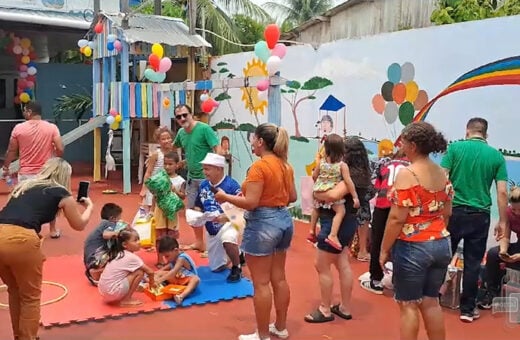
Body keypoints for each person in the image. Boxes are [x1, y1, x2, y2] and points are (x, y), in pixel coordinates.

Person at [214, 123, 296, 340]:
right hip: (284, 221)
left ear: (260, 141)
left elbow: (250, 202)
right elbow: (293, 197)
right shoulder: (286, 166)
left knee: (260, 283)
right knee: (279, 278)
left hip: (263, 224)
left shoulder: (259, 167)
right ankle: (280, 326)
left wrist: (225, 197)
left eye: (253, 139)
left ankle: (262, 335)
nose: (251, 143)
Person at [0, 157, 93, 340]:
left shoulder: (23, 186)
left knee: (15, 290)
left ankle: (19, 335)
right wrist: (89, 206)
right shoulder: (61, 193)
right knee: (30, 297)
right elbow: (79, 224)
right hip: (22, 239)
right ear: (65, 175)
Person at [380, 122, 453, 340]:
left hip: (413, 247)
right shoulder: (442, 172)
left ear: (412, 145)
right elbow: (447, 211)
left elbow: (396, 219)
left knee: (408, 304)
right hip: (441, 242)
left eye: (403, 141)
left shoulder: (407, 174)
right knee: (431, 302)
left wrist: (384, 250)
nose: (400, 145)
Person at [441, 117, 508, 322]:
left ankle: (432, 298)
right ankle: (468, 309)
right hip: (480, 215)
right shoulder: (497, 156)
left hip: (454, 212)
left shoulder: (454, 149)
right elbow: (503, 192)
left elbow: (443, 180)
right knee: (472, 262)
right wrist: (503, 221)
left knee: (443, 257)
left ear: (467, 131)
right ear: (486, 134)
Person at [303, 137, 364, 324]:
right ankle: (344, 307)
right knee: (342, 262)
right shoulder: (359, 175)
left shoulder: (345, 173)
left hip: (335, 223)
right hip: (348, 223)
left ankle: (325, 309)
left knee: (322, 265)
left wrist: (316, 193)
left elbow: (330, 196)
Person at [2, 101, 64, 239]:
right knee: (51, 201)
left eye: (25, 111)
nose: (23, 113)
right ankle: (53, 230)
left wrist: (6, 167)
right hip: (46, 172)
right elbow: (60, 148)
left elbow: (11, 150)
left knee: (25, 202)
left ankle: (29, 230)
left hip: (26, 174)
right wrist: (56, 161)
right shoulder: (52, 127)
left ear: (30, 112)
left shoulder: (18, 128)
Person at [173, 104, 221, 254]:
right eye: (179, 116)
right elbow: (174, 148)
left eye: (184, 115)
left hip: (206, 179)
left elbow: (217, 148)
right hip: (191, 178)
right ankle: (200, 243)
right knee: (193, 213)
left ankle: (214, 246)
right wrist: (179, 161)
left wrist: (216, 172)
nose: (182, 118)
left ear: (191, 114)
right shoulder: (181, 133)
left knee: (211, 212)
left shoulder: (204, 129)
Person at [361, 149, 409, 294]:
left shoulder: (385, 165)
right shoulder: (411, 167)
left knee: (377, 241)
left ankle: (375, 280)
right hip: (401, 206)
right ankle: (399, 282)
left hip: (382, 205)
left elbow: (376, 187)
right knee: (401, 243)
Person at [195, 153, 244, 282]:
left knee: (227, 238)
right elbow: (198, 205)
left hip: (230, 223)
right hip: (211, 228)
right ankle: (239, 254)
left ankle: (236, 267)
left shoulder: (232, 186)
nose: (204, 172)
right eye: (204, 168)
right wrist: (196, 215)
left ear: (219, 169)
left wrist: (225, 217)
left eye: (207, 169)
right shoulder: (203, 185)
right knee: (217, 268)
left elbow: (241, 211)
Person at [308, 134, 359, 250]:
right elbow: (348, 181)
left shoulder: (321, 163)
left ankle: (311, 230)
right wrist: (355, 196)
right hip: (331, 191)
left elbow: (314, 176)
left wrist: (319, 183)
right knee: (340, 211)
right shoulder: (342, 165)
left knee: (316, 208)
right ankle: (333, 234)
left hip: (319, 190)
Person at [478, 186, 520, 309]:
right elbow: (505, 237)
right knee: (492, 254)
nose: (516, 213)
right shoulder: (507, 212)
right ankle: (492, 294)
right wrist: (503, 252)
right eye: (514, 209)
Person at [98, 229, 155, 306]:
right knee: (139, 272)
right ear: (124, 244)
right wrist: (152, 283)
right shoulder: (131, 257)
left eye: (138, 239)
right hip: (112, 292)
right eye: (135, 240)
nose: (139, 242)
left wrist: (146, 280)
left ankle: (126, 292)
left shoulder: (118, 253)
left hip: (103, 291)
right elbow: (150, 272)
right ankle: (126, 300)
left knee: (135, 270)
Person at [344, 137, 374, 262]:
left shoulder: (345, 168)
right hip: (363, 202)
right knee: (363, 218)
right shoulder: (366, 168)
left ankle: (348, 247)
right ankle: (362, 250)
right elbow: (371, 188)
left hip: (348, 203)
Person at [154, 151, 186, 267]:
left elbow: (183, 196)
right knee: (160, 235)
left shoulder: (180, 180)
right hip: (160, 210)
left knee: (171, 235)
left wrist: (174, 190)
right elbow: (154, 194)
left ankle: (173, 259)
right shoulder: (159, 178)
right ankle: (160, 259)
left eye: (170, 164)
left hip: (172, 210)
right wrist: (152, 209)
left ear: (177, 165)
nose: (167, 167)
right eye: (165, 164)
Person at [83, 203, 124, 285]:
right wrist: (120, 232)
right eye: (119, 218)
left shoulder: (103, 224)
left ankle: (96, 271)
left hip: (90, 259)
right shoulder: (109, 223)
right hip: (95, 258)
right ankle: (96, 272)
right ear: (112, 218)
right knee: (122, 256)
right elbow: (106, 235)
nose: (120, 220)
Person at [155, 236, 200, 305]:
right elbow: (170, 265)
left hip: (187, 280)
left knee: (196, 279)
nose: (166, 259)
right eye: (164, 257)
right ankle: (154, 286)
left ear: (176, 250)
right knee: (159, 273)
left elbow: (173, 272)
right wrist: (159, 272)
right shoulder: (173, 257)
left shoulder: (181, 258)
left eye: (167, 256)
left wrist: (160, 280)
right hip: (178, 279)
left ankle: (181, 296)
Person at [140, 126, 175, 213]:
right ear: (158, 141)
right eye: (163, 139)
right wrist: (144, 189)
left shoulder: (173, 154)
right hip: (155, 186)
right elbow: (148, 172)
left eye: (168, 138)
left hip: (167, 187)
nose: (166, 141)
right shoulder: (156, 154)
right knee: (152, 212)